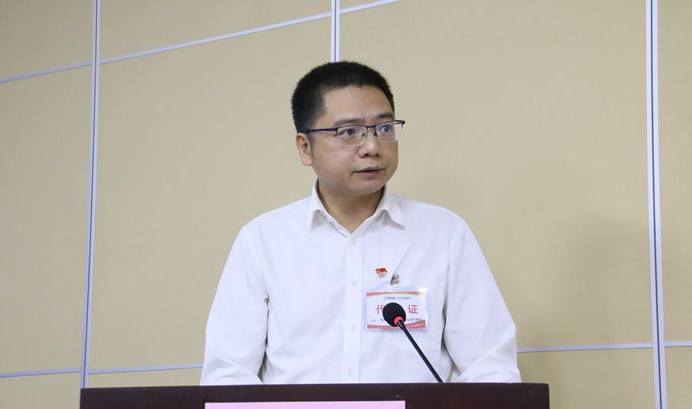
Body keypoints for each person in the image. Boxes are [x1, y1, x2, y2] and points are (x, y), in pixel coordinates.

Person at [201, 61, 521, 385]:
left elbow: (490, 367)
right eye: (349, 132)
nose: (372, 147)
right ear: (305, 147)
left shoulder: (443, 234)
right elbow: (229, 375)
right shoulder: (263, 240)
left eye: (384, 128)